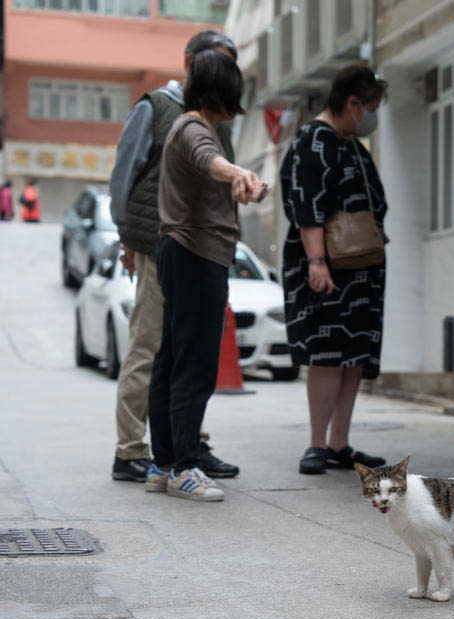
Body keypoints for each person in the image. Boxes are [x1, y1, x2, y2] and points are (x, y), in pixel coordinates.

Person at [108, 30, 240, 483]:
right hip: (154, 244)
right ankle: (131, 450)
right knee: (149, 348)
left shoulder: (215, 119)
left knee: (189, 350)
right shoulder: (157, 107)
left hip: (202, 249)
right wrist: (126, 237)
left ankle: (188, 445)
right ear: (189, 62)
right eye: (212, 64)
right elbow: (124, 175)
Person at [145, 50, 267, 501]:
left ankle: (163, 463)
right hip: (195, 252)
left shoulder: (192, 126)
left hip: (183, 252)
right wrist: (238, 171)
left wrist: (244, 182)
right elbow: (207, 160)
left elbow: (213, 171)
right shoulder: (194, 128)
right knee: (193, 366)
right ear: (225, 91)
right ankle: (184, 465)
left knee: (173, 359)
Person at [279, 64, 389, 475]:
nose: (372, 116)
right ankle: (316, 443)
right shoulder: (315, 140)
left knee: (354, 355)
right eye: (371, 107)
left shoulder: (350, 143)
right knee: (326, 352)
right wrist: (317, 261)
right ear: (352, 103)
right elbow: (308, 205)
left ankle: (339, 443)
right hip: (325, 263)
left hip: (362, 266)